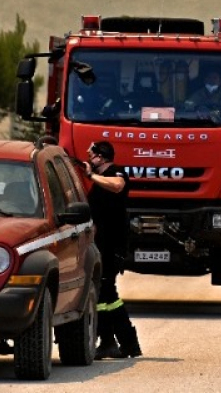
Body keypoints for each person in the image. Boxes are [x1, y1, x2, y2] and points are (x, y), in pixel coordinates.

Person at [81, 141, 142, 359]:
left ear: (102, 157)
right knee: (103, 295)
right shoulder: (99, 185)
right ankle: (110, 342)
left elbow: (117, 186)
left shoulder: (117, 173)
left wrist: (91, 176)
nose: (89, 157)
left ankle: (126, 343)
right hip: (100, 245)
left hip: (112, 246)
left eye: (92, 155)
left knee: (107, 293)